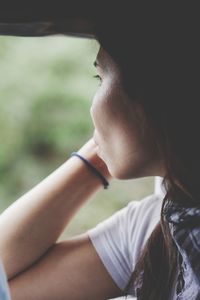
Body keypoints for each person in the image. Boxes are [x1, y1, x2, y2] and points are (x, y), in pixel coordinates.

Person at [0, 4, 200, 300]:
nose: (91, 108)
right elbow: (8, 283)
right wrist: (103, 150)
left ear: (154, 95)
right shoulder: (156, 228)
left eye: (101, 78)